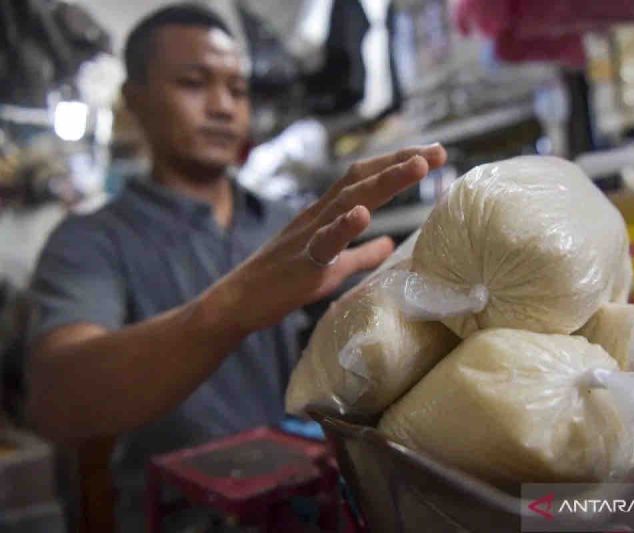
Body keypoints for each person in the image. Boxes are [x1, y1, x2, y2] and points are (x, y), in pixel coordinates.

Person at [23, 3, 446, 530]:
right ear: (135, 101)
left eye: (237, 89)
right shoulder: (92, 242)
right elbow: (59, 398)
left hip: (306, 506)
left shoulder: (286, 226)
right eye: (194, 83)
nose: (223, 107)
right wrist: (229, 308)